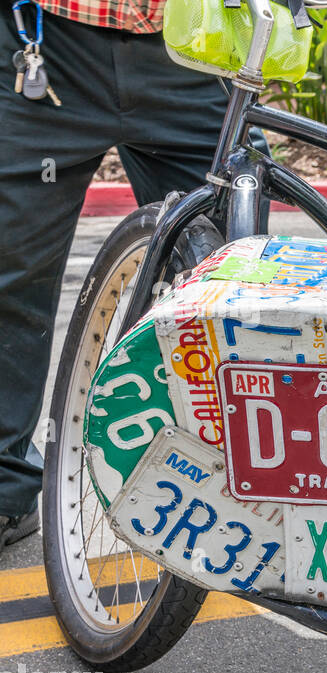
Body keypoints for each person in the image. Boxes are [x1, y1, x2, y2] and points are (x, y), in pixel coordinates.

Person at [0, 0, 239, 554]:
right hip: (45, 44)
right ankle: (6, 491)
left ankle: (227, 478)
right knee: (10, 270)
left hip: (196, 41)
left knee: (230, 276)